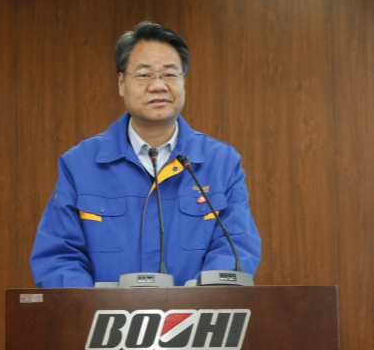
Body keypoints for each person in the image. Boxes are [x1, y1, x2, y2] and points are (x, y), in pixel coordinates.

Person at [30, 21, 261, 288]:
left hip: (198, 314)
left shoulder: (221, 162)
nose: (158, 85)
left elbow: (236, 248)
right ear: (121, 83)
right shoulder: (80, 163)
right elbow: (58, 257)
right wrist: (93, 309)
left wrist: (197, 304)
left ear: (184, 82)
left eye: (170, 74)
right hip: (103, 315)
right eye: (144, 75)